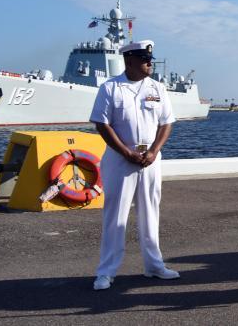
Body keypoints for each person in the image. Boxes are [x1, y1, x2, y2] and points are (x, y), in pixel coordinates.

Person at [89, 40, 178, 291]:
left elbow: (166, 123)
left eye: (150, 57)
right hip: (120, 161)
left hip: (150, 161)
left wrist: (154, 151)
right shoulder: (110, 88)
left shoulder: (158, 88)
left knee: (151, 213)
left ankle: (154, 266)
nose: (150, 62)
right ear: (129, 61)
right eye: (143, 58)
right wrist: (126, 152)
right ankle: (106, 272)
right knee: (115, 216)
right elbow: (101, 124)